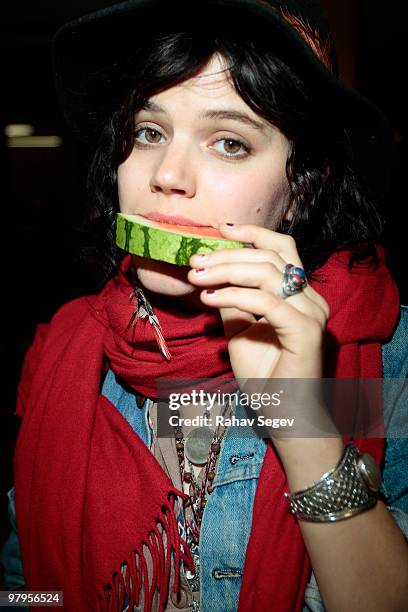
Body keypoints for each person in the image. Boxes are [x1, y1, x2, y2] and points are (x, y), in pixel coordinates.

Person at [2, 1, 408, 611]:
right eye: (148, 131)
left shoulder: (386, 357)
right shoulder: (60, 349)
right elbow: (26, 585)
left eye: (228, 142)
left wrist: (300, 423)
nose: (166, 174)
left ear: (302, 186)